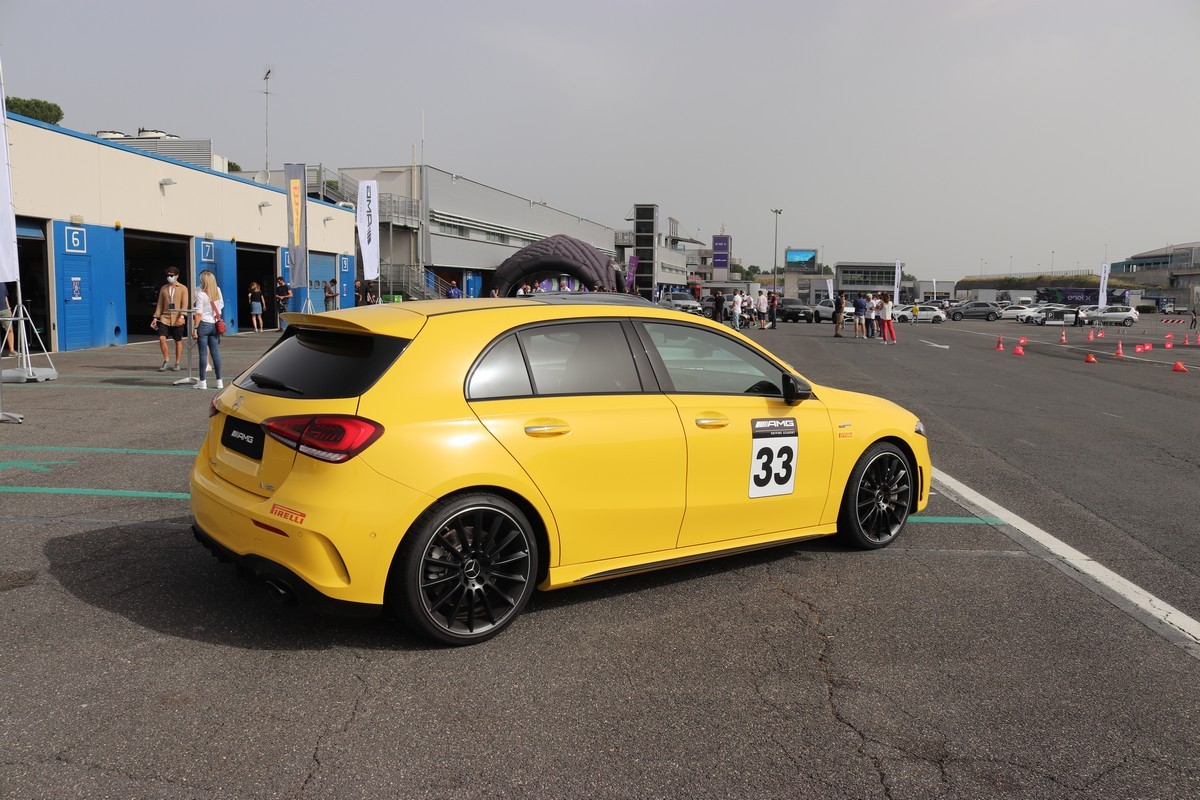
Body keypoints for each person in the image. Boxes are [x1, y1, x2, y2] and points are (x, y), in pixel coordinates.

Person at [151, 266, 189, 371]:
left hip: (177, 318)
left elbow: (184, 304)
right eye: (168, 275)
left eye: (171, 275)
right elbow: (159, 304)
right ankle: (166, 360)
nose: (169, 277)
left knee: (178, 340)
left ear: (177, 276)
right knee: (162, 338)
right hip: (165, 317)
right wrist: (155, 317)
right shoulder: (164, 288)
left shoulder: (183, 288)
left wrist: (182, 316)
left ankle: (177, 363)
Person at [192, 269, 224, 390]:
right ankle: (219, 381)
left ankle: (202, 381)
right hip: (214, 324)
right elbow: (220, 307)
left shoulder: (201, 294)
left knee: (203, 354)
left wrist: (195, 328)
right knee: (215, 353)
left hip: (204, 324)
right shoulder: (216, 292)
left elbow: (198, 313)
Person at [1, 280, 15, 357]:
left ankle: (11, 350)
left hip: (4, 309)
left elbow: (5, 296)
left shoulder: (2, 283)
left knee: (9, 329)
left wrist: (9, 308)